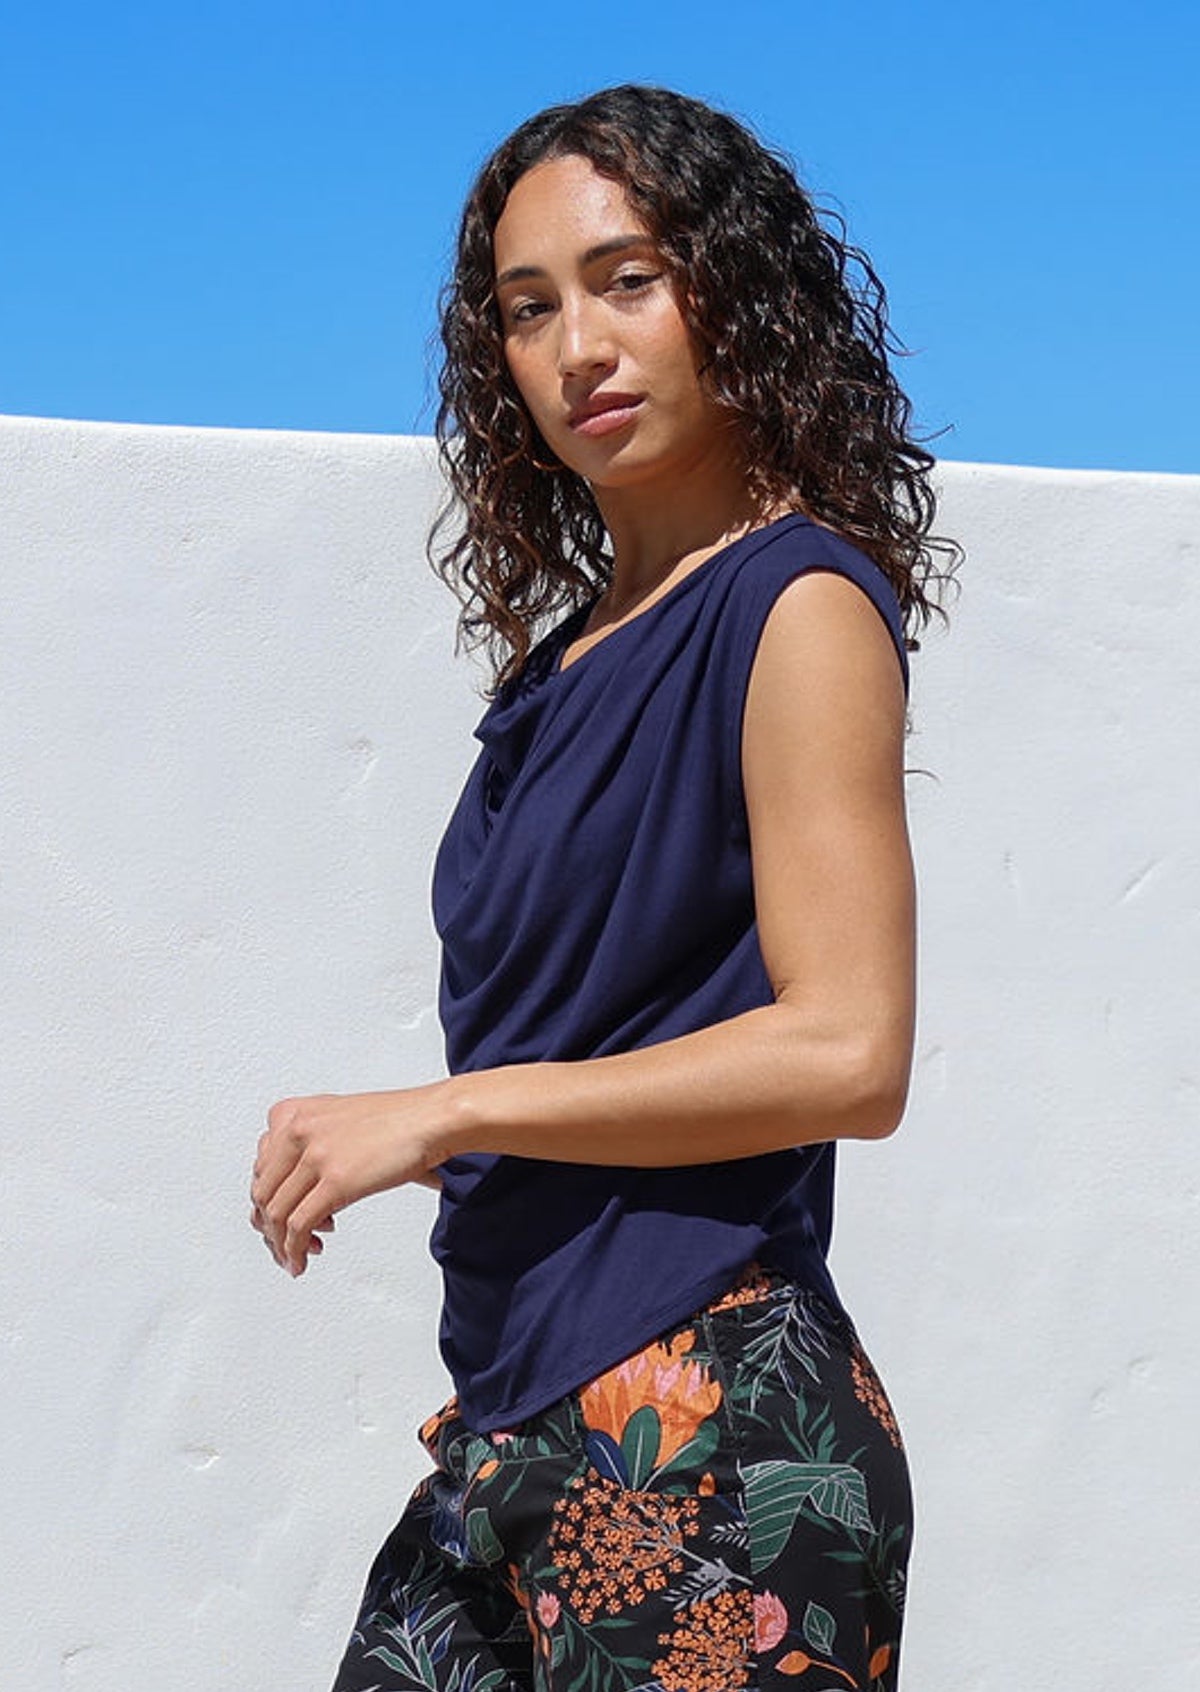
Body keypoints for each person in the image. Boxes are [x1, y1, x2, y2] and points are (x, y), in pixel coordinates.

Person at [250, 83, 956, 1692]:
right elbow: (610, 1034)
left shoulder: (795, 607)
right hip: (521, 1422)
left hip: (708, 1426)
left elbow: (850, 1050)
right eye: (528, 308)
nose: (579, 346)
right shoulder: (562, 664)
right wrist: (495, 1231)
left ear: (735, 292)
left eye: (629, 280)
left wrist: (443, 1114)